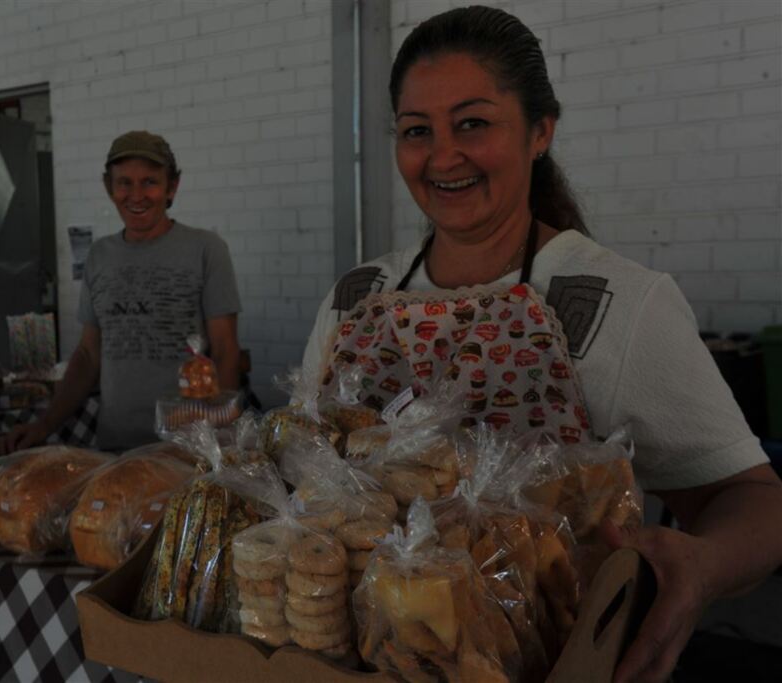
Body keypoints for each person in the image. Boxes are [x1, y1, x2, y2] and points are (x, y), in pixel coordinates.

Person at [302, 7, 782, 682]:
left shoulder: (622, 301)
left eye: (473, 122)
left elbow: (758, 499)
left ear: (540, 131)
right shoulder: (354, 298)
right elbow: (302, 479)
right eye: (417, 131)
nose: (442, 155)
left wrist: (700, 567)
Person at [0, 130, 241, 453]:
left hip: (185, 449)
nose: (136, 195)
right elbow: (87, 355)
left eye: (150, 182)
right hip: (115, 447)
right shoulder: (100, 256)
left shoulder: (206, 250)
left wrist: (215, 442)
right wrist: (44, 425)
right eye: (124, 182)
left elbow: (226, 350)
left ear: (172, 186)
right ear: (109, 187)